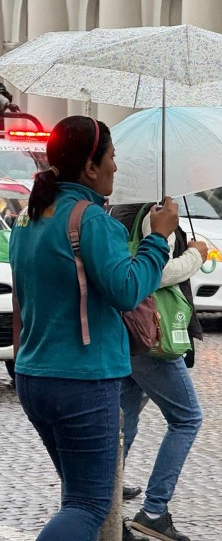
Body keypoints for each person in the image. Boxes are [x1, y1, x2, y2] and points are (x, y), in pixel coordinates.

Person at [9, 115, 177, 541]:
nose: (115, 167)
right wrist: (158, 239)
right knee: (88, 505)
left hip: (33, 376)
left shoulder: (30, 217)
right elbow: (127, 289)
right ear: (89, 167)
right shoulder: (92, 221)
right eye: (112, 157)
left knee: (77, 498)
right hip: (83, 380)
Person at [110, 203, 208, 541]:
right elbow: (157, 271)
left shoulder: (119, 208)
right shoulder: (155, 211)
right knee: (187, 418)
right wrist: (195, 255)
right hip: (150, 333)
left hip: (125, 329)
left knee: (124, 420)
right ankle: (154, 511)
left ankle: (103, 501)